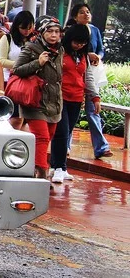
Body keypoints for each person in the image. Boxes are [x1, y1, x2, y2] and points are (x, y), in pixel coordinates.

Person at [12, 15, 64, 181]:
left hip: (54, 101)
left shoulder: (60, 50)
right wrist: (38, 63)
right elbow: (17, 69)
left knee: (48, 137)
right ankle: (42, 175)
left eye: (57, 31)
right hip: (35, 101)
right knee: (41, 138)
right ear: (42, 32)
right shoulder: (31, 48)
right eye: (50, 31)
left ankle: (34, 167)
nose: (54, 35)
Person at [68, 2, 112, 159]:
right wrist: (88, 55)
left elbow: (100, 49)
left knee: (94, 110)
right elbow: (71, 51)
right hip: (74, 77)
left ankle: (101, 146)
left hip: (91, 73)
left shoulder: (94, 30)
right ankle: (65, 146)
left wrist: (97, 56)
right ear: (75, 16)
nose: (86, 14)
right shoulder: (69, 32)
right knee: (70, 112)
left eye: (88, 12)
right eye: (81, 12)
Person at [49, 24, 91, 184]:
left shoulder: (83, 56)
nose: (79, 45)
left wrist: (93, 97)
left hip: (77, 97)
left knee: (67, 131)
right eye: (76, 42)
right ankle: (61, 167)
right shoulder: (59, 52)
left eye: (83, 43)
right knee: (62, 131)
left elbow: (87, 77)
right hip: (60, 97)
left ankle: (56, 165)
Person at [0, 10, 35, 130]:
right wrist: (21, 66)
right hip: (9, 83)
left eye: (30, 28)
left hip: (28, 84)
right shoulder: (7, 39)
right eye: (23, 28)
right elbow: (1, 61)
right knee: (14, 117)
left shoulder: (34, 41)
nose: (27, 31)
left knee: (25, 120)